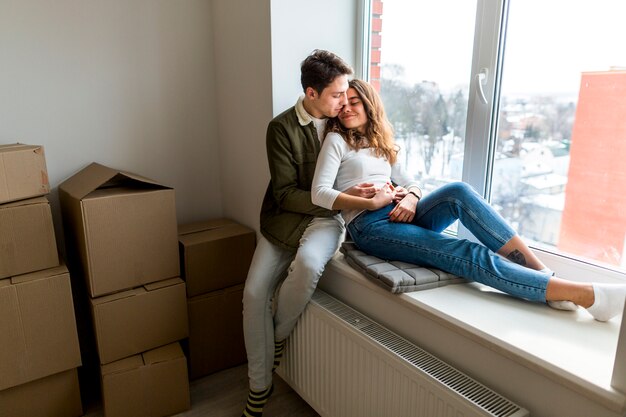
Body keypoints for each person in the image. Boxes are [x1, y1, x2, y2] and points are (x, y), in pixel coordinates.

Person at [311, 78, 626, 323]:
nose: (348, 109)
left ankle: (543, 275)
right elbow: (320, 193)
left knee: (459, 191)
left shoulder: (382, 143)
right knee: (467, 251)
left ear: (369, 105)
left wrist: (412, 197)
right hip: (370, 226)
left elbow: (411, 182)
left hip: (399, 211)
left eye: (356, 102)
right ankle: (583, 295)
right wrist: (372, 202)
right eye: (343, 104)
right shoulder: (336, 141)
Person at [241, 50, 364, 417]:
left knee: (309, 266)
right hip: (284, 217)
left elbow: (382, 159)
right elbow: (283, 194)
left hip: (328, 220)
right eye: (336, 94)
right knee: (253, 294)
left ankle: (276, 338)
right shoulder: (280, 128)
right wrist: (333, 199)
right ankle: (258, 387)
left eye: (346, 93)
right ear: (312, 93)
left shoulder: (348, 122)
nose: (345, 101)